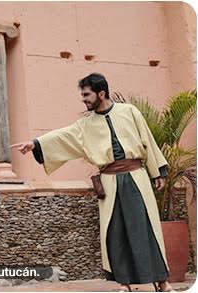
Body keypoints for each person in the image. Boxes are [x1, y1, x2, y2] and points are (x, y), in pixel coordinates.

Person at [11, 73, 175, 292]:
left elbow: (148, 140)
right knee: (116, 232)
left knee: (146, 228)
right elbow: (63, 136)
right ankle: (125, 284)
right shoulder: (85, 125)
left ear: (101, 93)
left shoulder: (129, 112)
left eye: (86, 95)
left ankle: (162, 283)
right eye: (82, 95)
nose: (84, 99)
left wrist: (159, 173)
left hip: (136, 178)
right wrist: (35, 143)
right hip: (109, 182)